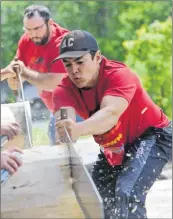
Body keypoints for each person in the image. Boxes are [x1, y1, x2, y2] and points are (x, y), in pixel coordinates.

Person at [52, 30, 172, 219]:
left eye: (80, 62)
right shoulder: (62, 91)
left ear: (97, 57)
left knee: (128, 194)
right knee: (97, 200)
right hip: (115, 146)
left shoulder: (119, 75)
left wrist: (79, 129)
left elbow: (110, 114)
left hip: (153, 136)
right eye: (67, 64)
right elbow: (65, 126)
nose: (74, 70)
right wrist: (66, 131)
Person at [2, 4, 69, 145]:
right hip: (55, 108)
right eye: (28, 29)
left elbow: (57, 83)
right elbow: (15, 77)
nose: (32, 34)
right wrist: (11, 74)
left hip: (77, 105)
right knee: (57, 147)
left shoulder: (64, 42)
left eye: (37, 29)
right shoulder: (26, 40)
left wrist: (25, 73)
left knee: (63, 140)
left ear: (50, 23)